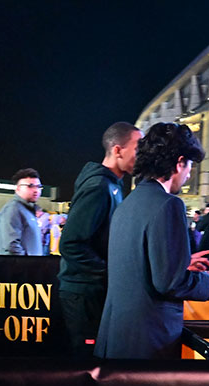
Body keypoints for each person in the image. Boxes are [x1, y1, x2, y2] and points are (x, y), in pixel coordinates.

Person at [95, 122, 209, 359]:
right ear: (179, 162)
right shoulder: (169, 205)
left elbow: (140, 266)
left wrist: (181, 264)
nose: (188, 175)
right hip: (148, 341)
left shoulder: (128, 203)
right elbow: (170, 283)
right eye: (189, 167)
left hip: (117, 337)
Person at [57, 121, 142, 355]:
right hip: (84, 294)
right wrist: (109, 271)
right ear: (117, 150)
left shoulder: (112, 185)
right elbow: (71, 244)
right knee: (88, 364)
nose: (143, 155)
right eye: (138, 148)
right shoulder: (98, 187)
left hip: (92, 290)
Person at [0, 168, 43, 255]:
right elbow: (11, 246)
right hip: (22, 267)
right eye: (30, 186)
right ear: (18, 189)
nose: (36, 190)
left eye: (38, 187)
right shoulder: (13, 209)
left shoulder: (28, 210)